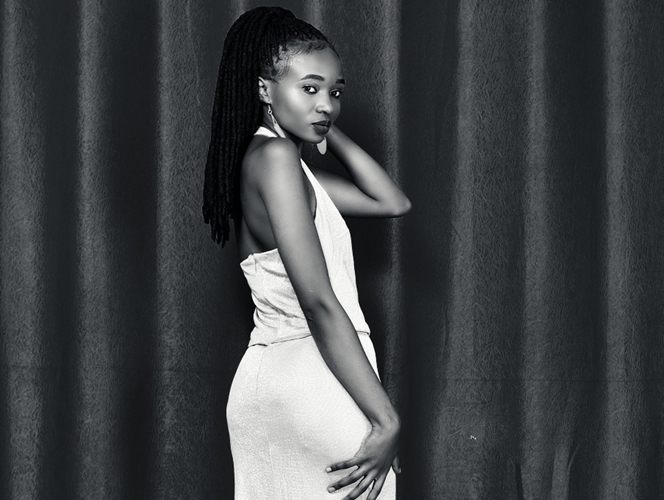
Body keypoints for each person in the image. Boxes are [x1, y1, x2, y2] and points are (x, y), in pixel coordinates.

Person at [202, 6, 411, 500]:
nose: (326, 105)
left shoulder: (282, 168)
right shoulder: (275, 159)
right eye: (310, 88)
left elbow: (391, 202)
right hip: (312, 378)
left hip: (284, 380)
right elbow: (317, 302)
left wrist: (320, 125)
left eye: (335, 93)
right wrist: (387, 419)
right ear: (263, 89)